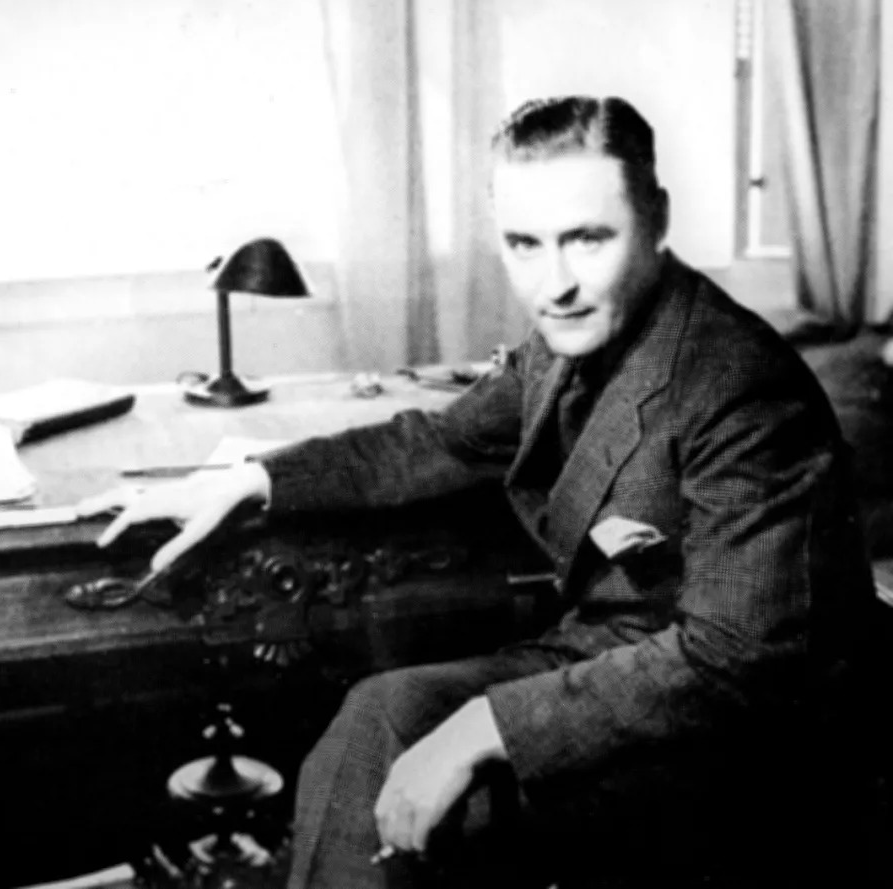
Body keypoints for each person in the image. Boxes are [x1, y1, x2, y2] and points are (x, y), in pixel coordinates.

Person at [81, 96, 881, 887]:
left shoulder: (737, 381)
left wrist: (484, 726)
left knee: (438, 793)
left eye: (589, 238)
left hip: (754, 733)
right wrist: (250, 478)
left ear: (657, 221)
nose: (554, 284)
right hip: (617, 661)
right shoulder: (563, 345)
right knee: (375, 721)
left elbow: (736, 657)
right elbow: (438, 441)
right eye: (525, 244)